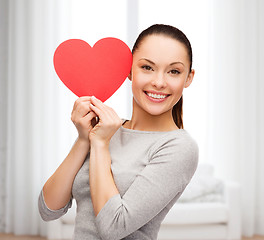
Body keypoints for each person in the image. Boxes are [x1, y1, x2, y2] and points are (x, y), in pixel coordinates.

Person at [38, 24, 199, 240]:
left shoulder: (179, 147)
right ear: (129, 70)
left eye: (174, 71)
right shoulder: (105, 129)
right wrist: (84, 138)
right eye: (147, 67)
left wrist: (100, 144)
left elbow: (113, 228)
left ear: (188, 78)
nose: (159, 82)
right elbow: (48, 209)